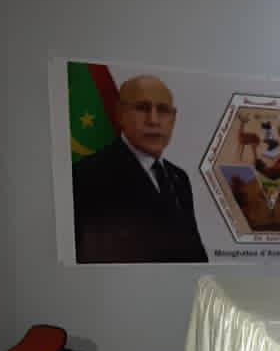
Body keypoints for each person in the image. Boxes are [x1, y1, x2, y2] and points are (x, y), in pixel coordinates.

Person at [72, 75, 208, 263]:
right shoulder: (88, 175)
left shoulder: (178, 178)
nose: (153, 120)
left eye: (163, 110)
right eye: (142, 108)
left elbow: (195, 256)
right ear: (120, 114)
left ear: (173, 119)